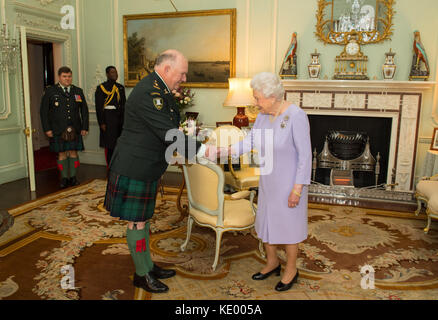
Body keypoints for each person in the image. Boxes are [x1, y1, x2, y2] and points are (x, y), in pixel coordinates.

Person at [104, 49, 213, 293]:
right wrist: (206, 151)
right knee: (137, 222)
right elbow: (168, 134)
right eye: (182, 73)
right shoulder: (148, 93)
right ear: (166, 70)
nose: (184, 79)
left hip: (146, 164)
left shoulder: (160, 89)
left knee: (143, 220)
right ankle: (142, 274)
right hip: (135, 166)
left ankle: (148, 266)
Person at [227, 72, 312, 291]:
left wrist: (297, 189)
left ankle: (291, 268)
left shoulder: (296, 116)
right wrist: (225, 150)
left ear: (273, 96)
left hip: (290, 184)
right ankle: (272, 262)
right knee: (267, 222)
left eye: (258, 98)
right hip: (269, 180)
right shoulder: (264, 116)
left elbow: (305, 156)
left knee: (289, 227)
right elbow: (250, 142)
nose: (255, 103)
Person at [40, 66, 89, 189]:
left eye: (69, 76)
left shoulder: (78, 91)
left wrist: (85, 127)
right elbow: (43, 112)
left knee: (73, 152)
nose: (67, 79)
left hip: (75, 128)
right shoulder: (50, 91)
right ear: (59, 77)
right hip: (57, 129)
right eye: (64, 76)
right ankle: (64, 178)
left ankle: (73, 177)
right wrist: (47, 129)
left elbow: (84, 110)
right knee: (61, 154)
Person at [95, 66, 126, 166]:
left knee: (119, 145)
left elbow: (123, 105)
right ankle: (111, 166)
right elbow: (99, 107)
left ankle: (118, 165)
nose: (115, 74)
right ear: (107, 74)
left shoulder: (120, 87)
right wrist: (102, 122)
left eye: (116, 72)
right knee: (110, 146)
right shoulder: (101, 88)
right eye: (112, 72)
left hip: (119, 119)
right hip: (108, 120)